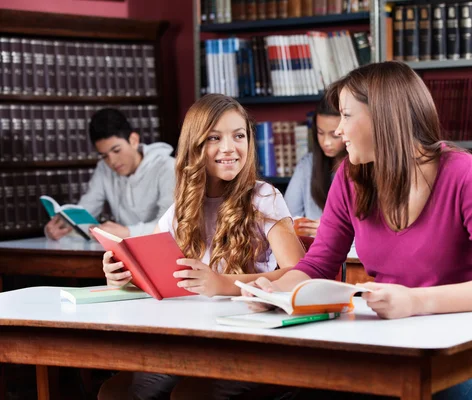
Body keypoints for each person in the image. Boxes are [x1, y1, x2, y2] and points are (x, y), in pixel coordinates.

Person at [243, 61, 472, 400]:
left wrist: (415, 301)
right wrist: (274, 293)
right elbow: (317, 266)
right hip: (384, 343)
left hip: (460, 352)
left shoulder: (462, 173)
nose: (338, 131)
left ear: (384, 117)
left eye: (347, 116)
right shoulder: (350, 178)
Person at [98, 94, 306, 400]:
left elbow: (300, 275)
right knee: (114, 393)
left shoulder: (264, 196)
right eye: (214, 137)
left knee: (189, 396)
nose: (229, 148)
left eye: (239, 136)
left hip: (247, 343)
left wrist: (223, 284)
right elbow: (152, 273)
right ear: (195, 146)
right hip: (191, 340)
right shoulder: (181, 207)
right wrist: (123, 276)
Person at [44, 108, 176, 240]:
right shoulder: (104, 168)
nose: (112, 162)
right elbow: (86, 211)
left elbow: (171, 226)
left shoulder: (168, 168)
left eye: (116, 150)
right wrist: (60, 229)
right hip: (123, 251)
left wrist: (128, 232)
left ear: (134, 140)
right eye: (104, 155)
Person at [284, 94, 346, 237]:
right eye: (320, 133)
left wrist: (332, 229)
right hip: (313, 248)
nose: (326, 142)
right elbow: (286, 217)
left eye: (334, 135)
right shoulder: (307, 165)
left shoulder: (362, 167)